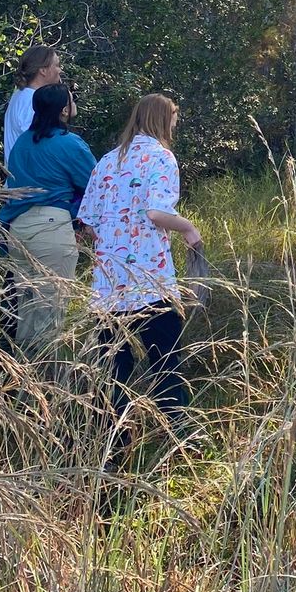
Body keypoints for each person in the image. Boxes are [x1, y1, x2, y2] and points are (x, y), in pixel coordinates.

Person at [76, 94, 202, 441]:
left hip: (108, 286)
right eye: (173, 119)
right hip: (149, 281)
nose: (175, 125)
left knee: (113, 370)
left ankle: (113, 442)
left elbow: (87, 224)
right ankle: (178, 435)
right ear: (162, 119)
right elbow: (156, 212)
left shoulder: (105, 161)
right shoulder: (161, 157)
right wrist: (189, 229)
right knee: (166, 362)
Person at [0, 83, 96, 353]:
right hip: (52, 227)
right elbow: (97, 184)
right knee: (50, 311)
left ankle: (17, 378)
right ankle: (42, 383)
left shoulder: (21, 143)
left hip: (18, 228)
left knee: (26, 307)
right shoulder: (69, 143)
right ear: (64, 110)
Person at [3, 44, 62, 169]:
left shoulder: (21, 95)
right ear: (43, 70)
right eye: (57, 65)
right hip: (28, 181)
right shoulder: (32, 101)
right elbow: (37, 145)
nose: (60, 70)